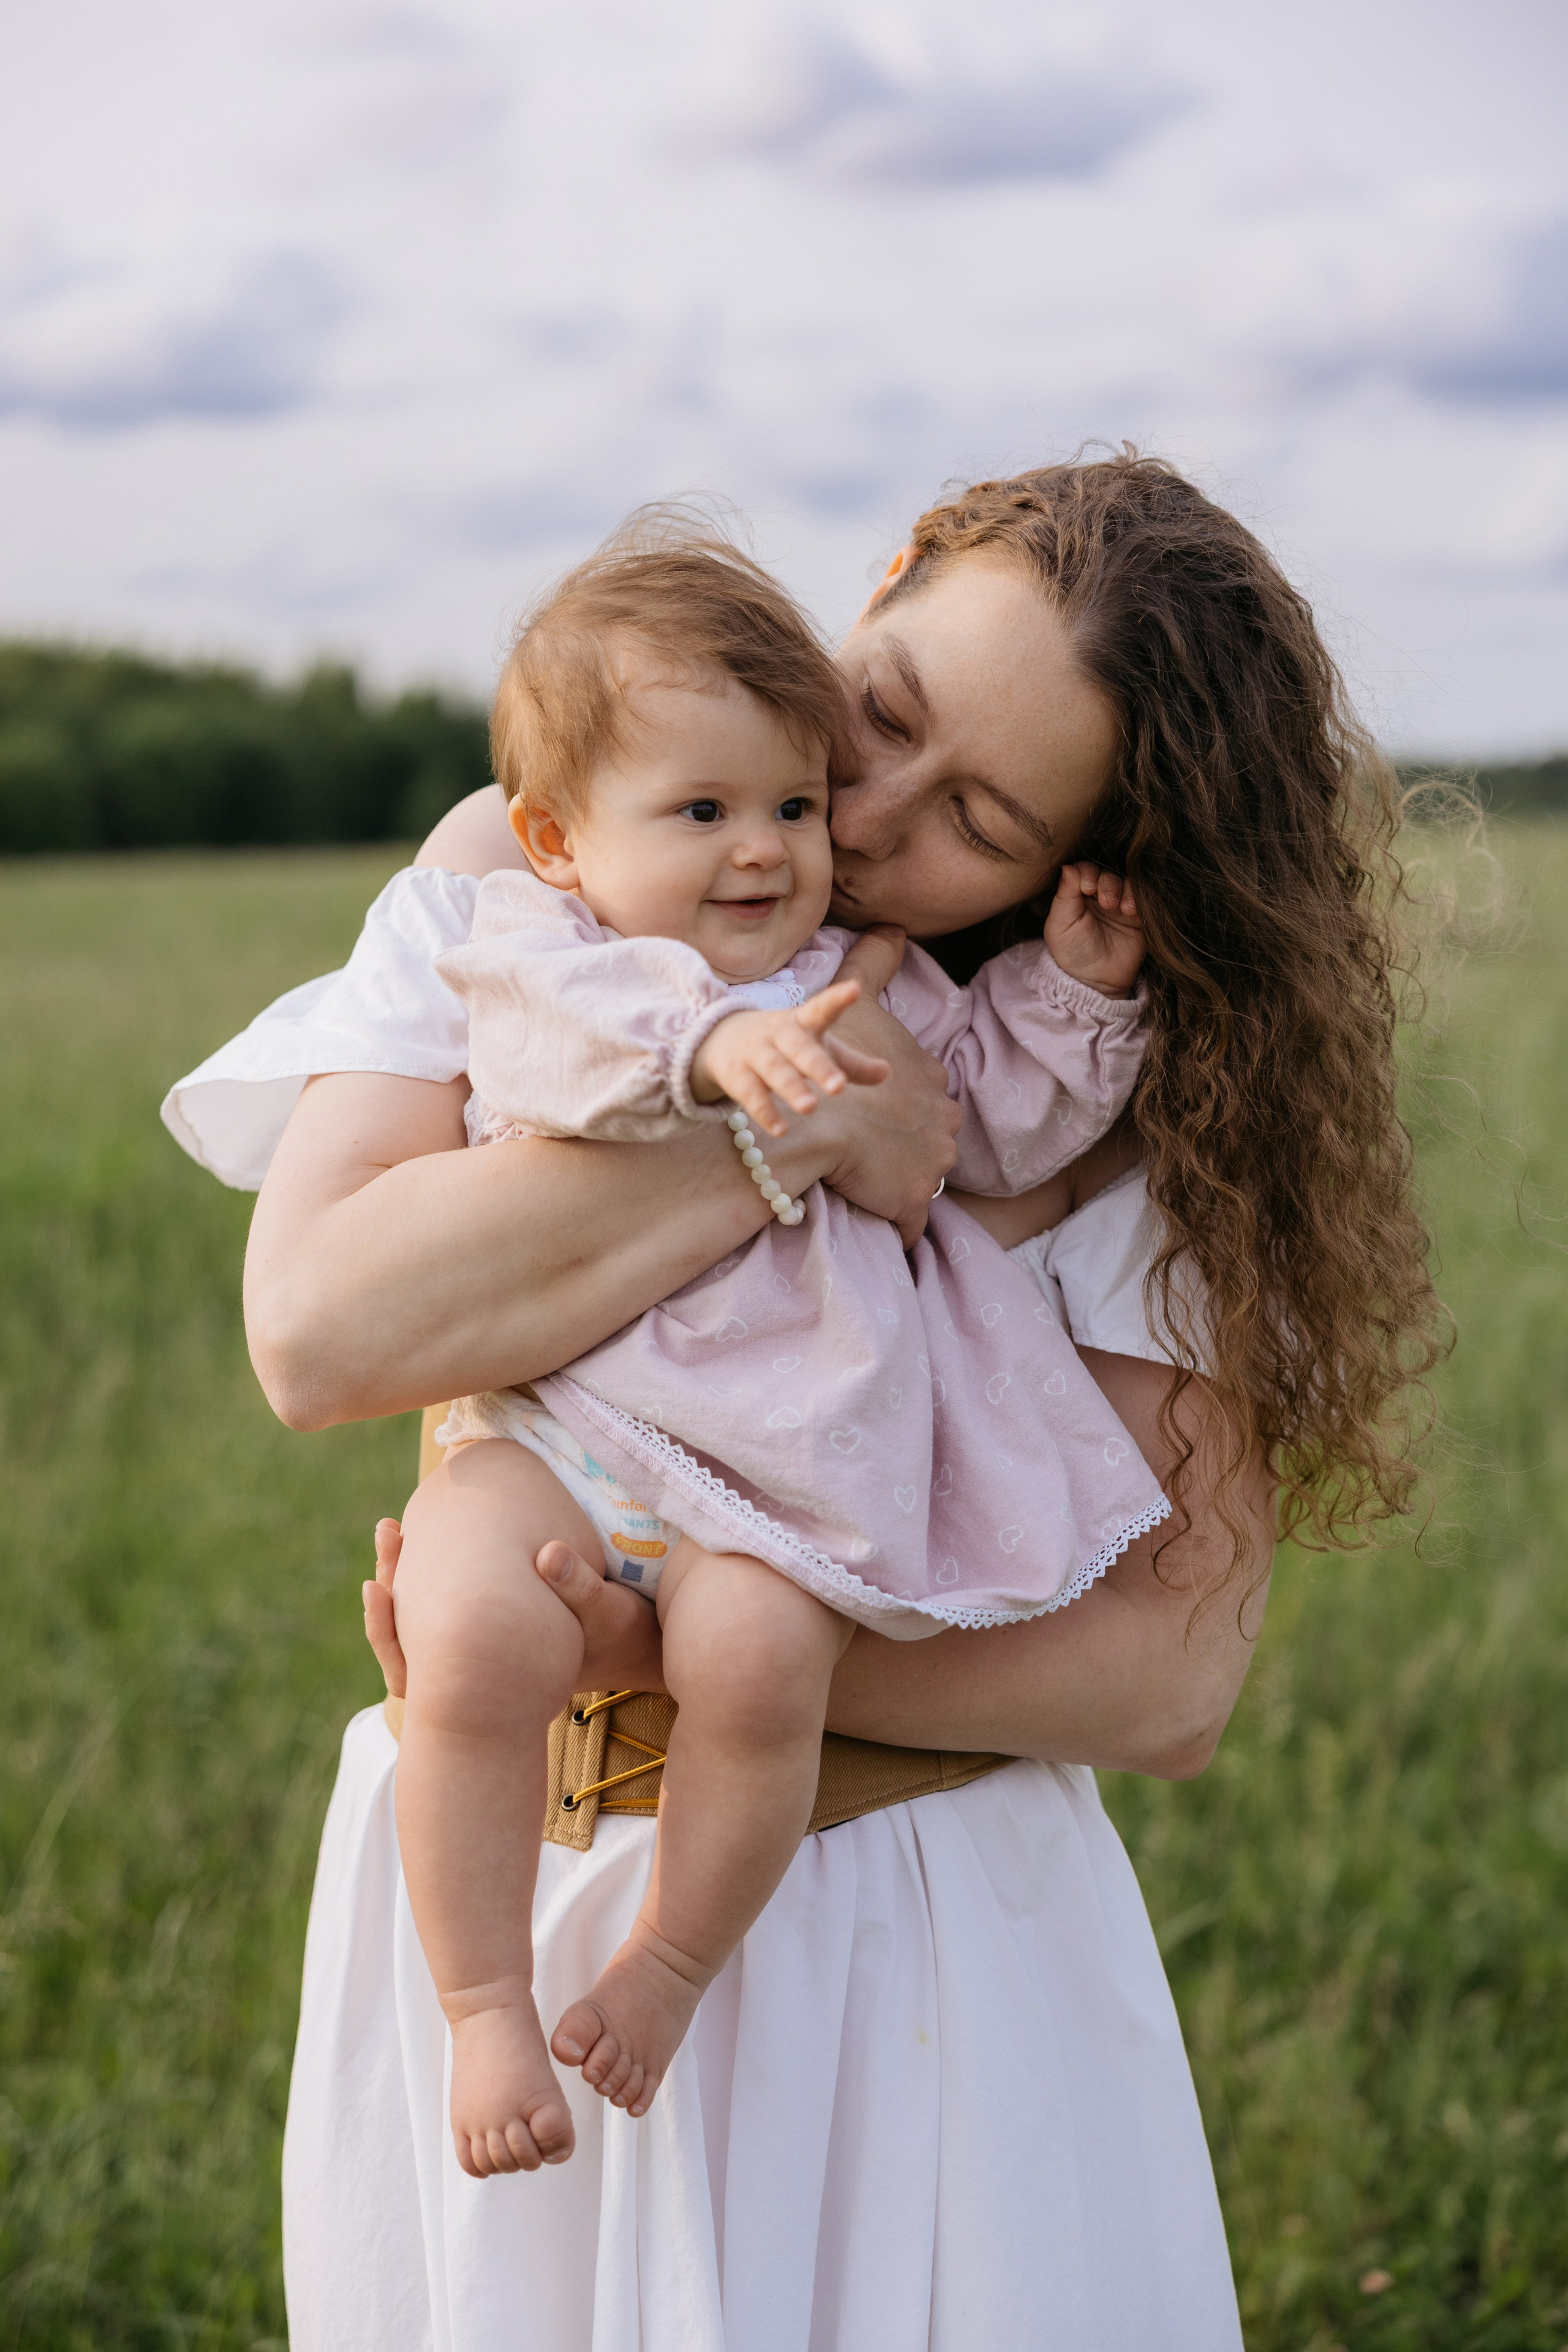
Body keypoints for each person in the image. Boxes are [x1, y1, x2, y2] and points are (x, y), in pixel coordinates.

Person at [165, 452, 1441, 2350]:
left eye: (978, 818)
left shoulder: (1125, 1064)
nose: (858, 808)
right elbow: (322, 1334)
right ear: (892, 569)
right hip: (501, 1890)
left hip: (889, 1929)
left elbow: (1164, 1676)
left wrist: (662, 1650)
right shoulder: (530, 864)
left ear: (1081, 863)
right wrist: (808, 1138)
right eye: (889, 711)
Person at [383, 518, 1166, 2170]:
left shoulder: (861, 978)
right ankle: (481, 2004)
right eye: (704, 812)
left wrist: (1081, 1002)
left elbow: (996, 1126)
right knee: (466, 1632)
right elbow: (572, 1048)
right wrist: (724, 1042)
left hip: (775, 1480)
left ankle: (669, 1964)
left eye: (790, 806)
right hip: (565, 1439)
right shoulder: (553, 945)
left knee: (757, 1670)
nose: (770, 851)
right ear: (561, 839)